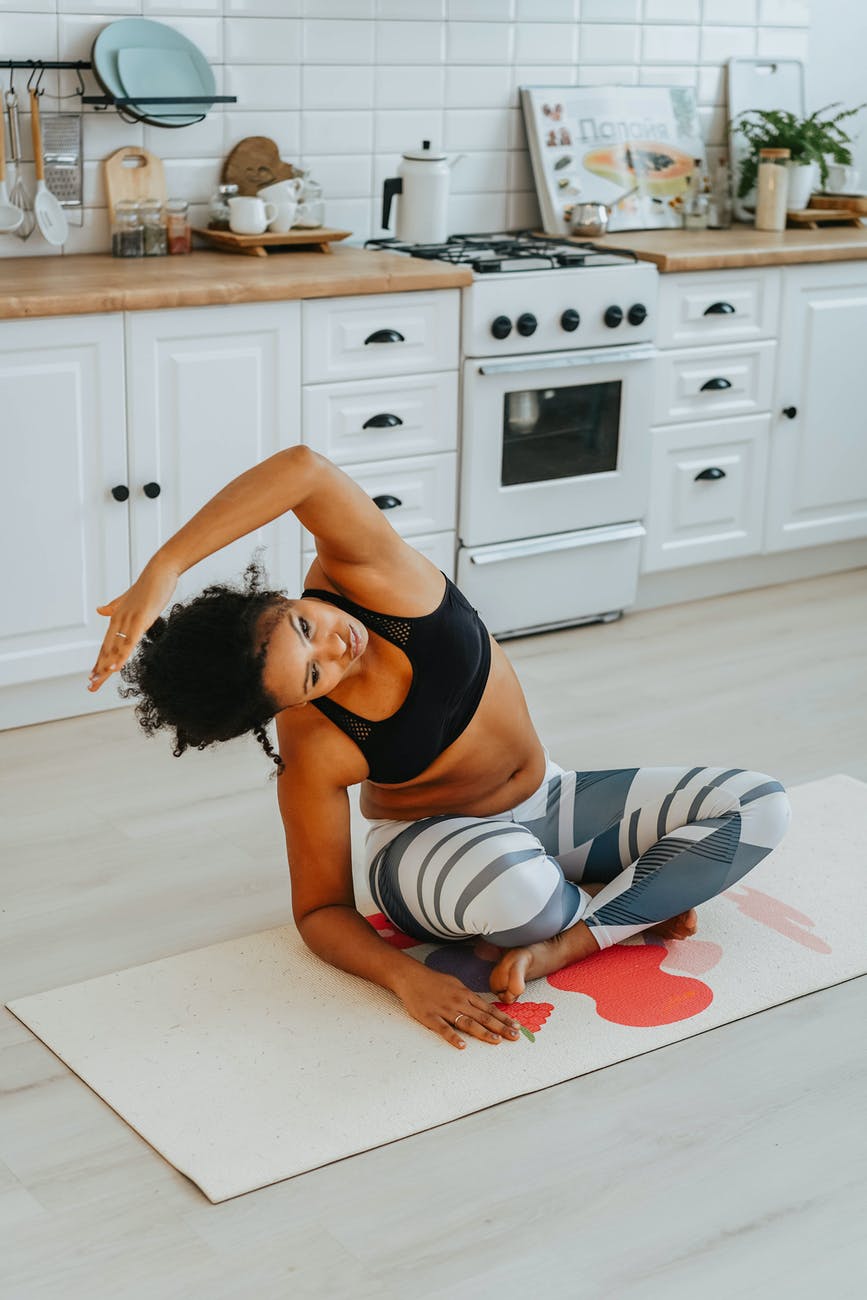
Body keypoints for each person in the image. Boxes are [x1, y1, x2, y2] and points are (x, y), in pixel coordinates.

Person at [88, 445, 792, 1052]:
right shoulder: (316, 746)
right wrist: (407, 977)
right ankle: (623, 903)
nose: (334, 648)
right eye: (310, 677)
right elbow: (321, 913)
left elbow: (303, 469)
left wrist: (167, 563)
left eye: (304, 625)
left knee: (759, 804)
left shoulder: (372, 577)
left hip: (553, 798)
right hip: (430, 850)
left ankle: (577, 936)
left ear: (283, 596)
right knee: (521, 896)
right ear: (288, 706)